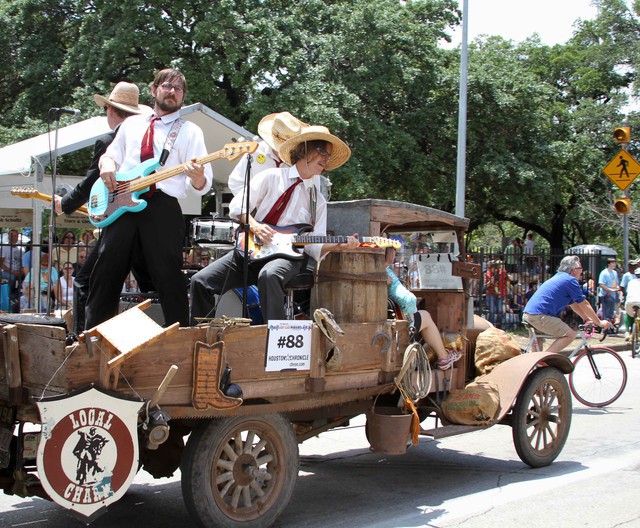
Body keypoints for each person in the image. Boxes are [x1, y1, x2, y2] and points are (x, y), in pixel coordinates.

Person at [86, 69, 212, 328]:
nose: (172, 91)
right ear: (153, 90)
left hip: (162, 205)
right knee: (106, 270)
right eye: (167, 86)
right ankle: (92, 336)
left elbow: (201, 185)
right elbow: (111, 154)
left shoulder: (190, 131)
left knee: (169, 277)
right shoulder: (131, 124)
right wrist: (106, 165)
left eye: (178, 89)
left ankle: (180, 338)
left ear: (183, 97)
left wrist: (197, 175)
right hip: (122, 202)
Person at [190, 125, 355, 323]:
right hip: (253, 248)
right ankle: (201, 338)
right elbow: (236, 207)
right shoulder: (270, 177)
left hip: (289, 257)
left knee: (270, 275)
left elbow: (313, 246)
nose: (325, 160)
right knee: (200, 281)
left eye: (328, 156)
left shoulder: (317, 199)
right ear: (304, 149)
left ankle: (276, 340)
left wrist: (339, 245)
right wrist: (256, 226)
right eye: (321, 151)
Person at [53, 81, 144, 333]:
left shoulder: (109, 140)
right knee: (148, 287)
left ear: (111, 111)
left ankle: (84, 340)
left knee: (85, 281)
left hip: (120, 226)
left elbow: (92, 181)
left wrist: (65, 204)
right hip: (143, 224)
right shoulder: (145, 140)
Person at [386, 247, 461, 369]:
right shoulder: (386, 272)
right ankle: (444, 358)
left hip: (386, 317)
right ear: (389, 254)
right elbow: (408, 300)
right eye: (394, 252)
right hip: (391, 325)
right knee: (424, 316)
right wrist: (411, 317)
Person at [523, 255, 611, 354]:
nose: (581, 271)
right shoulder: (570, 280)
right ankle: (543, 359)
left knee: (537, 349)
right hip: (540, 316)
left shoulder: (559, 277)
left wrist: (586, 319)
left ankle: (538, 365)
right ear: (574, 270)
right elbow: (584, 303)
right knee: (570, 335)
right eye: (580, 268)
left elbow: (574, 304)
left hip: (530, 314)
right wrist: (599, 322)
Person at [1, 228, 25, 311]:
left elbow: (22, 262)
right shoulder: (4, 247)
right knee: (11, 277)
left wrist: (21, 270)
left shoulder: (21, 249)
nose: (14, 237)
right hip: (7, 271)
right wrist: (12, 271)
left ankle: (17, 297)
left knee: (25, 278)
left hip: (18, 271)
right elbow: (1, 264)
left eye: (15, 236)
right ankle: (9, 296)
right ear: (8, 236)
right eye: (12, 235)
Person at [484, 260, 508, 328]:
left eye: (496, 268)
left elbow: (507, 280)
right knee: (492, 310)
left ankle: (499, 326)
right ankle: (490, 326)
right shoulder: (488, 274)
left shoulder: (502, 273)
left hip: (500, 294)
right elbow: (485, 286)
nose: (495, 269)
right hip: (491, 293)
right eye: (493, 268)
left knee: (500, 311)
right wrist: (490, 282)